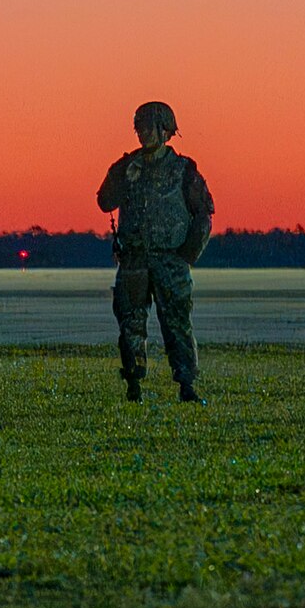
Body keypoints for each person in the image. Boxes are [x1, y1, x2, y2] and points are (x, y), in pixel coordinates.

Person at [96, 101, 215, 403]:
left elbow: (203, 214)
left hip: (171, 261)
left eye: (148, 126)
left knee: (178, 326)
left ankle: (186, 384)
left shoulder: (184, 170)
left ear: (165, 130)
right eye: (139, 127)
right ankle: (133, 383)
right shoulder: (126, 167)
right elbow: (105, 202)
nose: (142, 133)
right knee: (131, 325)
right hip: (134, 260)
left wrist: (187, 255)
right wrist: (120, 174)